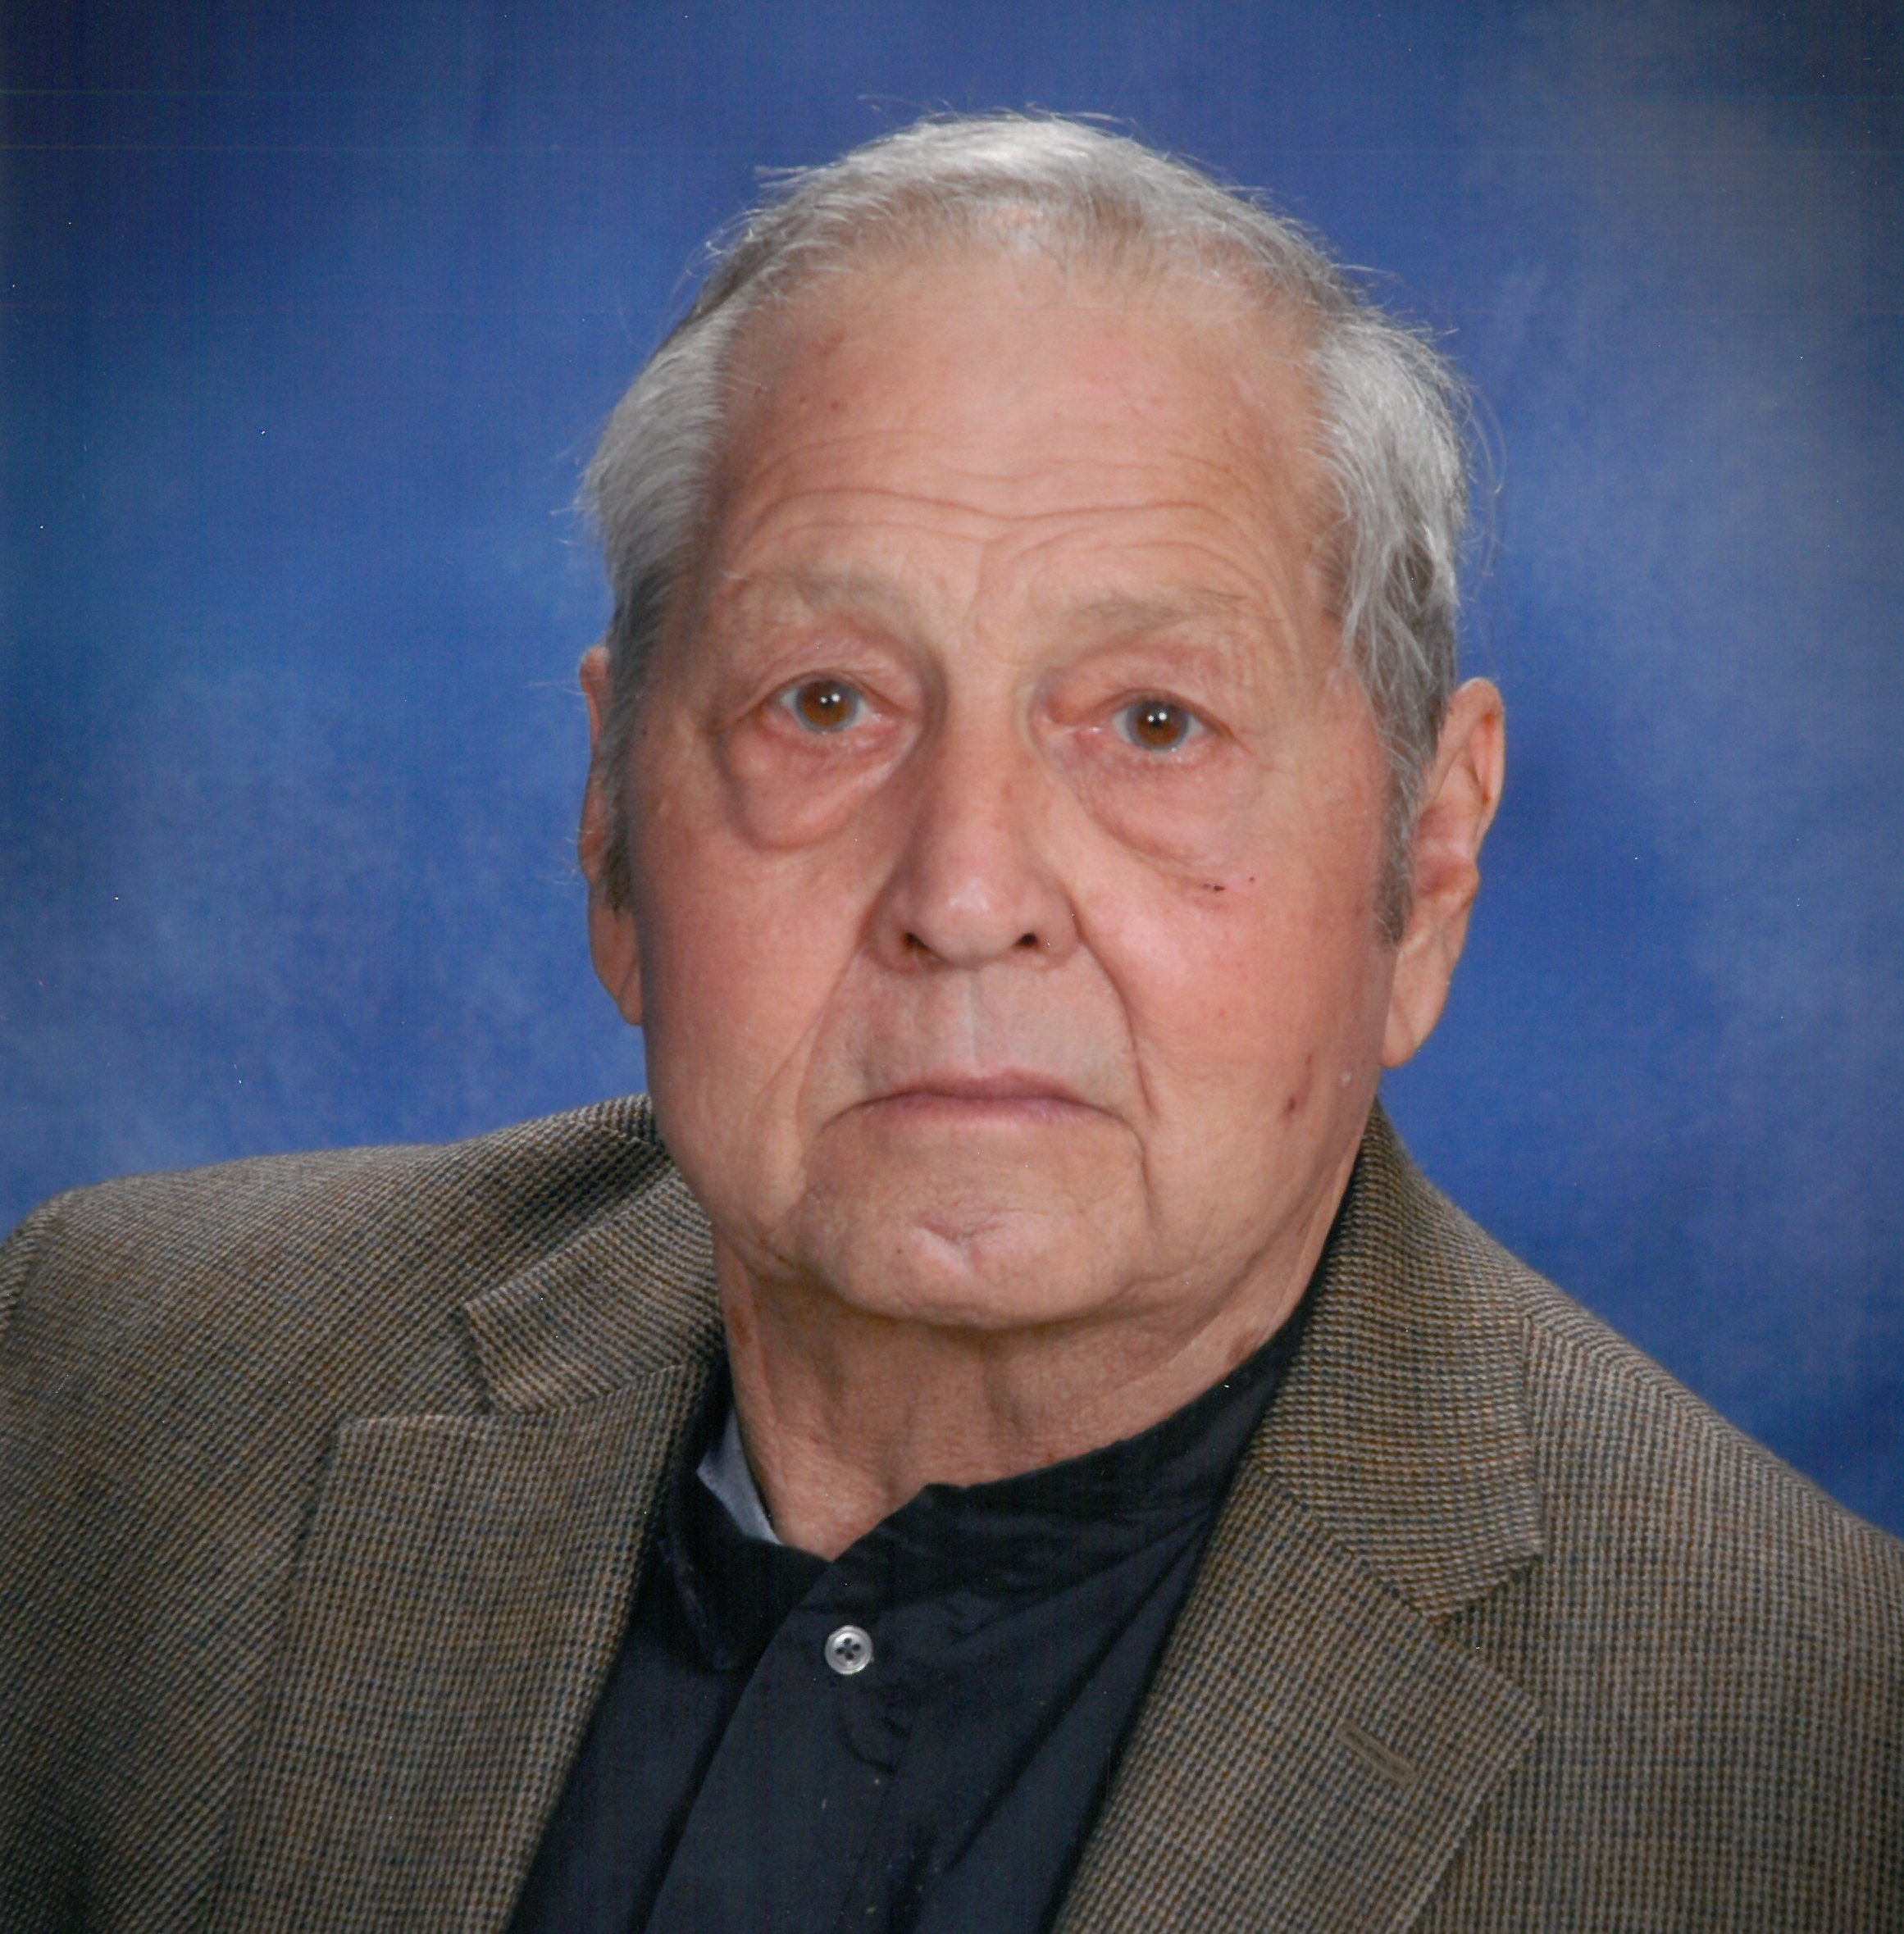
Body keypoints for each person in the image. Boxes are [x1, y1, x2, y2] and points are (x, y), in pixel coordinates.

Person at [2, 113, 1898, 1934]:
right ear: (610, 821)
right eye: (826, 703)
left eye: (1154, 722)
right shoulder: (110, 1400)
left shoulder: (1819, 1764)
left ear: (1429, 859)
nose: (968, 888)